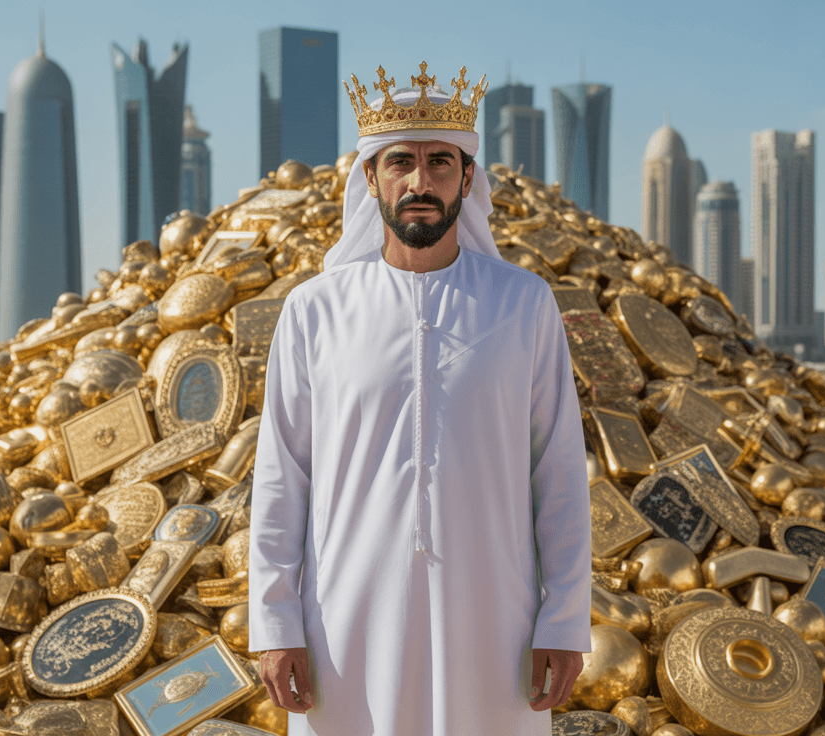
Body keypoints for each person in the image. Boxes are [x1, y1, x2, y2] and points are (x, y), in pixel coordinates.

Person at [248, 62, 592, 736]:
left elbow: (558, 472)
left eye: (441, 162)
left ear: (468, 179)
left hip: (498, 623)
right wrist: (274, 621)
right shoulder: (314, 312)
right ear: (370, 178)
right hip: (343, 632)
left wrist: (564, 617)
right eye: (400, 161)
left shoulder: (524, 304)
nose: (420, 181)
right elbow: (281, 476)